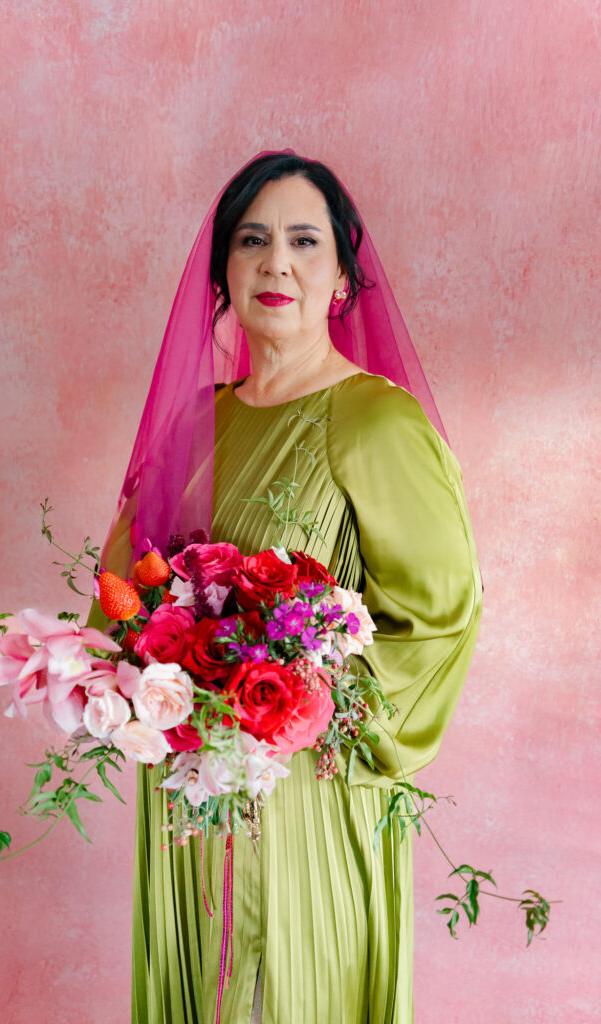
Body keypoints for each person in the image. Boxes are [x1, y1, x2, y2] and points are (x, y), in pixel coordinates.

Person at [99, 153, 482, 1024]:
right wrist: (151, 676)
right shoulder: (194, 425)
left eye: (305, 241)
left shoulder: (376, 419)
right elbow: (122, 596)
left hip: (307, 789)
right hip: (192, 800)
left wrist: (286, 698)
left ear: (342, 275)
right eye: (254, 240)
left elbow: (439, 619)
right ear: (224, 272)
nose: (278, 263)